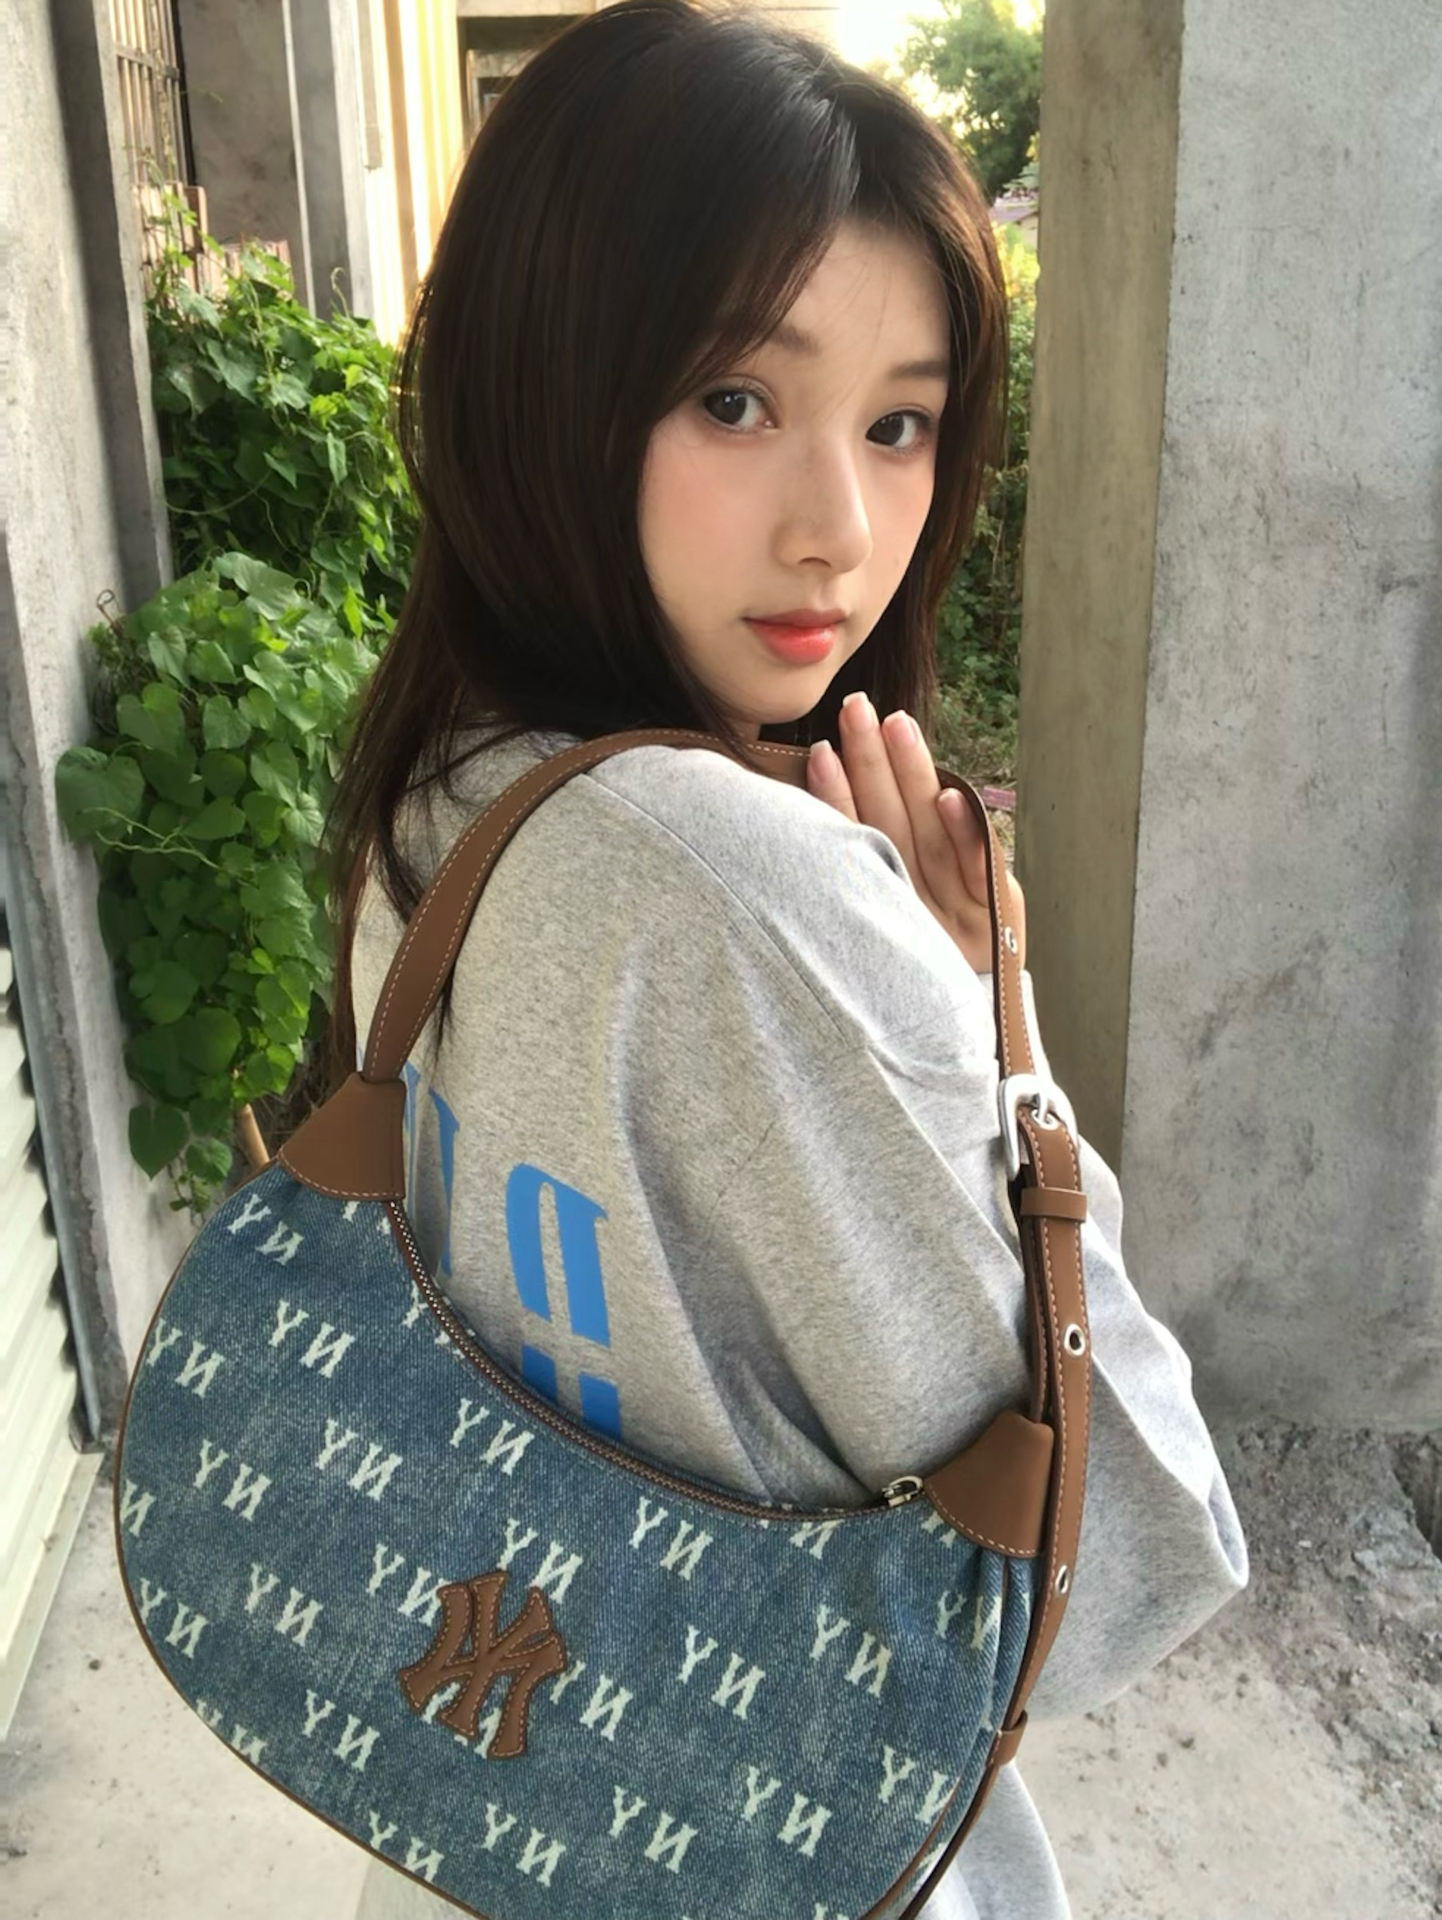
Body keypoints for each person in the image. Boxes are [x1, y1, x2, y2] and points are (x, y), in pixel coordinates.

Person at [324, 3, 1249, 1915]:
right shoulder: (748, 898)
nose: (841, 530)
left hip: (492, 1800)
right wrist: (987, 1023)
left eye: (898, 423)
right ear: (542, 382)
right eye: (734, 400)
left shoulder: (449, 781)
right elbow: (1122, 1551)